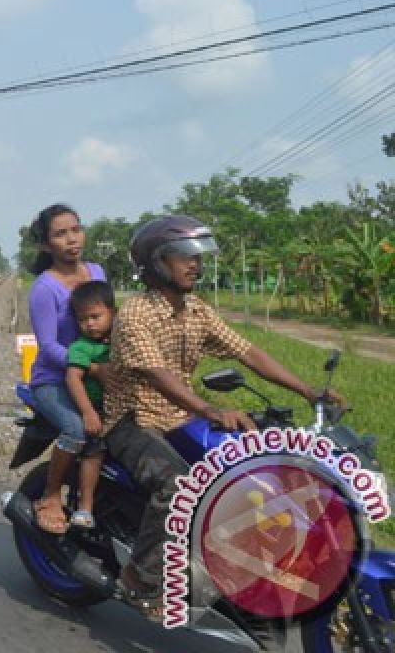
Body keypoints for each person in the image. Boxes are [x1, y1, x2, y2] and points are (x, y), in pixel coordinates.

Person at [103, 215, 346, 619]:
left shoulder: (196, 309)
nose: (195, 264)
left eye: (197, 256)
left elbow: (247, 352)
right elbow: (157, 375)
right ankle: (139, 578)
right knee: (179, 486)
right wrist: (211, 409)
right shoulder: (135, 314)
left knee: (244, 466)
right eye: (184, 256)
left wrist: (308, 391)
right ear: (157, 262)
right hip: (134, 419)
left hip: (180, 414)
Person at [24, 204, 107, 535]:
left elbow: (108, 317)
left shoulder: (97, 271)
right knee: (76, 429)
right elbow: (48, 348)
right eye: (61, 234)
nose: (72, 239)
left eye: (76, 229)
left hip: (97, 371)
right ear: (47, 245)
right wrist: (92, 367)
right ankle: (50, 494)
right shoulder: (45, 288)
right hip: (53, 380)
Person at [62, 280, 116, 529]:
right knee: (94, 452)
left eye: (96, 316)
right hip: (95, 407)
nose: (90, 324)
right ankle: (86, 508)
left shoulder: (122, 339)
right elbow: (73, 378)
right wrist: (88, 413)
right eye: (83, 319)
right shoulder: (81, 347)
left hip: (120, 407)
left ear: (112, 312)